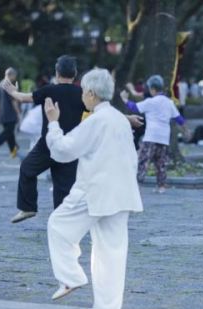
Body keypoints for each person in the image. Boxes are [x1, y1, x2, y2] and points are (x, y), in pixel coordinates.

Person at [44, 68, 143, 308]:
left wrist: (53, 124)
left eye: (83, 93)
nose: (81, 97)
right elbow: (132, 158)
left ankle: (71, 277)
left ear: (90, 93)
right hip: (122, 193)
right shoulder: (120, 119)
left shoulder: (97, 120)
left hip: (95, 190)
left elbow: (63, 150)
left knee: (58, 226)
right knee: (111, 255)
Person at [3, 56, 143, 223]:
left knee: (27, 169)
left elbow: (22, 98)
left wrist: (11, 90)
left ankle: (28, 208)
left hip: (47, 145)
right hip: (71, 145)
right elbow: (103, 110)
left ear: (57, 72)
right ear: (75, 74)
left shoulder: (49, 90)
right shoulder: (80, 93)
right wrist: (128, 118)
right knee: (64, 187)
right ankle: (62, 220)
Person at [120, 75, 186, 193]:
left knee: (143, 161)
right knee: (161, 164)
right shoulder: (169, 103)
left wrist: (125, 99)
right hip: (164, 138)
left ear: (153, 89)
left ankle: (138, 185)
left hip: (151, 136)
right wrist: (186, 130)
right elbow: (179, 119)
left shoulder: (150, 102)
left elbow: (135, 108)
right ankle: (161, 186)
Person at [0, 68, 21, 158]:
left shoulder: (0, 84)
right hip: (10, 113)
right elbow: (14, 101)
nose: (15, 78)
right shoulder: (9, 85)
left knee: (10, 134)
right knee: (8, 132)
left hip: (3, 114)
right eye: (15, 76)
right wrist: (18, 113)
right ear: (11, 75)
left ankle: (14, 151)